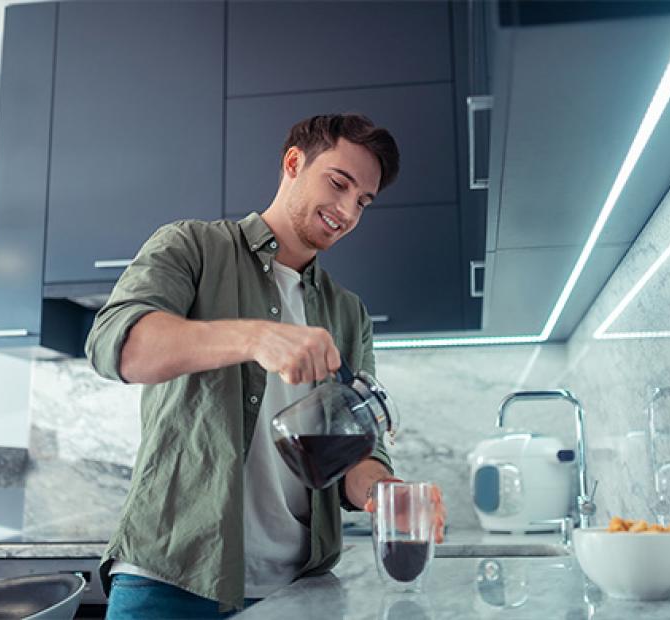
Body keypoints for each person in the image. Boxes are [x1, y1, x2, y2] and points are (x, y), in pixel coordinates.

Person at [86, 113, 445, 618]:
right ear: (294, 163)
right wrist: (254, 336)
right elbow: (116, 345)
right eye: (338, 183)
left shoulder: (349, 313)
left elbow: (356, 454)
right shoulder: (192, 246)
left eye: (363, 201)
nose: (346, 211)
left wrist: (385, 491)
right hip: (171, 579)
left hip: (298, 590)